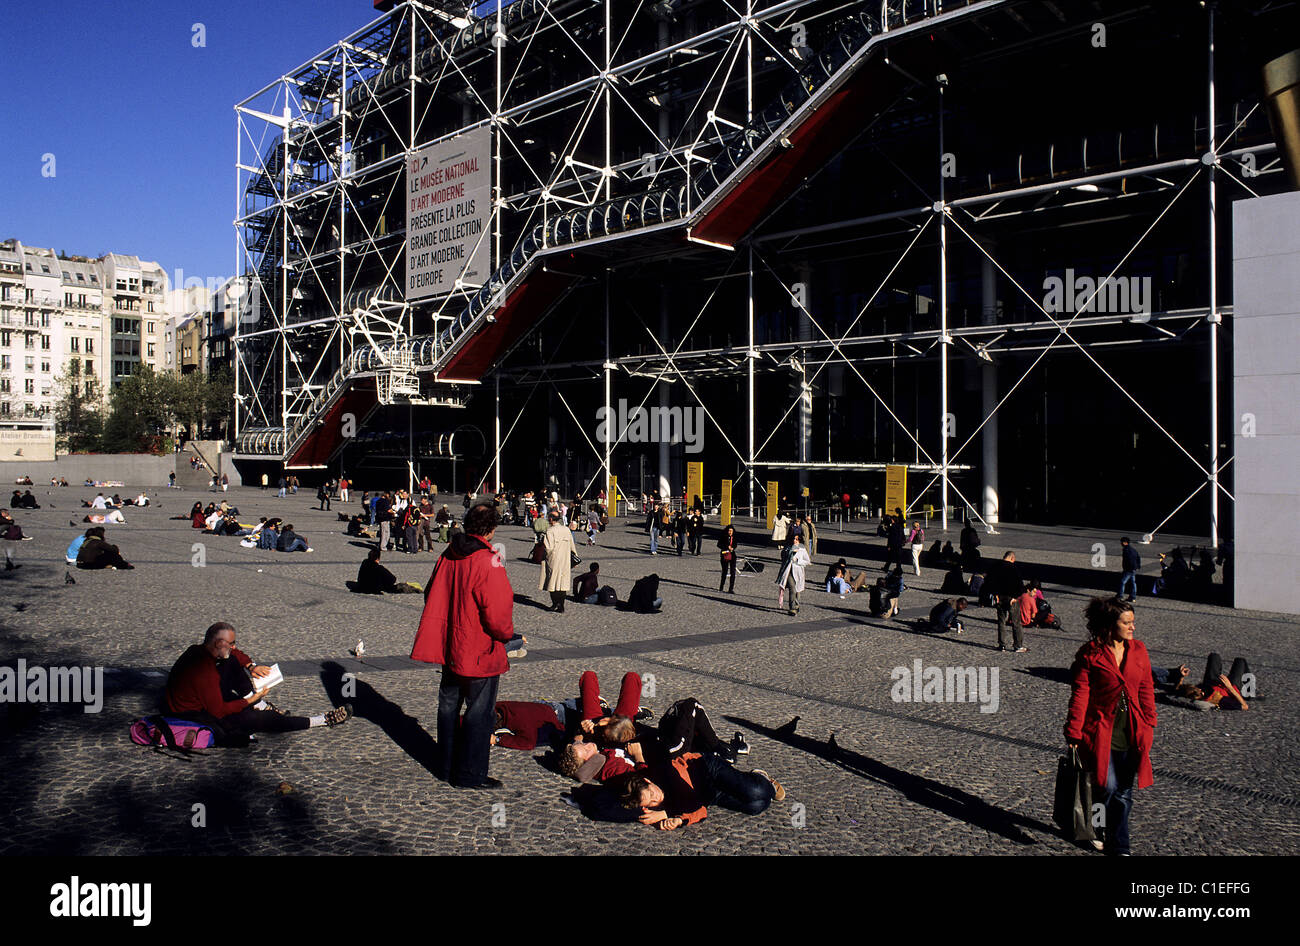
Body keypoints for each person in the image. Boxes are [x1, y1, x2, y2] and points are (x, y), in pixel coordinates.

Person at [411, 502, 515, 789]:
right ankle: (469, 774)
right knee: (479, 714)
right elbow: (498, 611)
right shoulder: (488, 559)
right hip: (479, 648)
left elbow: (431, 591)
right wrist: (506, 635)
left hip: (451, 645)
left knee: (447, 706)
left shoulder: (449, 553)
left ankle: (444, 765)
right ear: (491, 530)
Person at [1064, 597, 1157, 856]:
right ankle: (1097, 827)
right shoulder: (1090, 653)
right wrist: (1073, 730)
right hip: (1100, 731)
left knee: (1124, 792)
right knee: (1106, 787)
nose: (1132, 627)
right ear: (1109, 624)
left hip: (1132, 731)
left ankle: (1120, 845)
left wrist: (1150, 721)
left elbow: (1146, 687)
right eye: (1126, 622)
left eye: (1133, 622)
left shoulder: (1138, 650)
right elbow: (1081, 693)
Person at [164, 621, 351, 743]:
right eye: (232, 643)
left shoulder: (199, 650)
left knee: (232, 661)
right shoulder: (206, 672)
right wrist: (249, 701)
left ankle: (261, 704)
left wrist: (251, 666)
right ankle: (321, 720)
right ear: (219, 645)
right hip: (194, 715)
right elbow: (218, 711)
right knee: (262, 720)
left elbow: (235, 654)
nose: (235, 646)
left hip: (203, 700)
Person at [619, 753, 784, 831]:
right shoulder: (661, 803)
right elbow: (701, 810)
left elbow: (691, 801)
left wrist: (666, 813)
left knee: (754, 792)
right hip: (711, 795)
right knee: (757, 806)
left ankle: (759, 777)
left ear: (649, 782)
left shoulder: (663, 771)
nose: (657, 798)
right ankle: (758, 786)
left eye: (652, 793)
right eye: (652, 802)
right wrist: (679, 820)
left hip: (708, 769)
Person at [537, 509, 576, 612]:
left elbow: (548, 548)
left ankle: (555, 604)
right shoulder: (566, 529)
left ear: (550, 519)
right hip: (565, 560)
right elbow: (572, 545)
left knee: (552, 582)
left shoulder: (550, 531)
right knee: (563, 583)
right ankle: (561, 605)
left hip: (554, 560)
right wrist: (575, 557)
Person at [987, 551, 1026, 653]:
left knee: (1001, 622)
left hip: (999, 598)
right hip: (1011, 599)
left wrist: (995, 595)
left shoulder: (995, 566)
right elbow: (1020, 586)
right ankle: (1018, 646)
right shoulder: (1014, 568)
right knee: (1016, 622)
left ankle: (1002, 645)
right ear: (1012, 558)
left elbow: (988, 583)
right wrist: (1015, 597)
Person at [355, 548, 421, 594]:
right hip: (374, 588)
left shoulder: (364, 563)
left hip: (362, 587)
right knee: (401, 587)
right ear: (378, 558)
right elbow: (392, 579)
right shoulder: (379, 568)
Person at [776, 533, 811, 615]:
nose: (795, 541)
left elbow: (807, 561)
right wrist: (789, 553)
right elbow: (783, 557)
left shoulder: (802, 549)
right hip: (788, 571)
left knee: (798, 591)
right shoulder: (788, 547)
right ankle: (792, 608)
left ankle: (796, 605)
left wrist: (798, 560)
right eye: (794, 539)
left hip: (798, 572)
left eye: (797, 539)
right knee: (792, 588)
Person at [717, 525, 739, 593]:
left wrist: (733, 548)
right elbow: (718, 545)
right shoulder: (723, 537)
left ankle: (731, 589)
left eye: (731, 531)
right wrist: (726, 547)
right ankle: (721, 587)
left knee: (733, 572)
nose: (730, 532)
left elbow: (735, 544)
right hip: (724, 555)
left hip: (732, 556)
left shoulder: (734, 537)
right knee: (724, 571)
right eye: (729, 531)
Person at [1119, 536, 1140, 602]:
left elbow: (1129, 560)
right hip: (1133, 569)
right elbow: (1138, 558)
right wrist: (1137, 566)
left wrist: (1128, 568)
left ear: (1125, 543)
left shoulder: (1126, 550)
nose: (1121, 543)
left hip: (1129, 569)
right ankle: (1133, 597)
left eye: (1122, 542)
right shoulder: (1133, 550)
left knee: (1122, 582)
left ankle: (1120, 596)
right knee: (1133, 583)